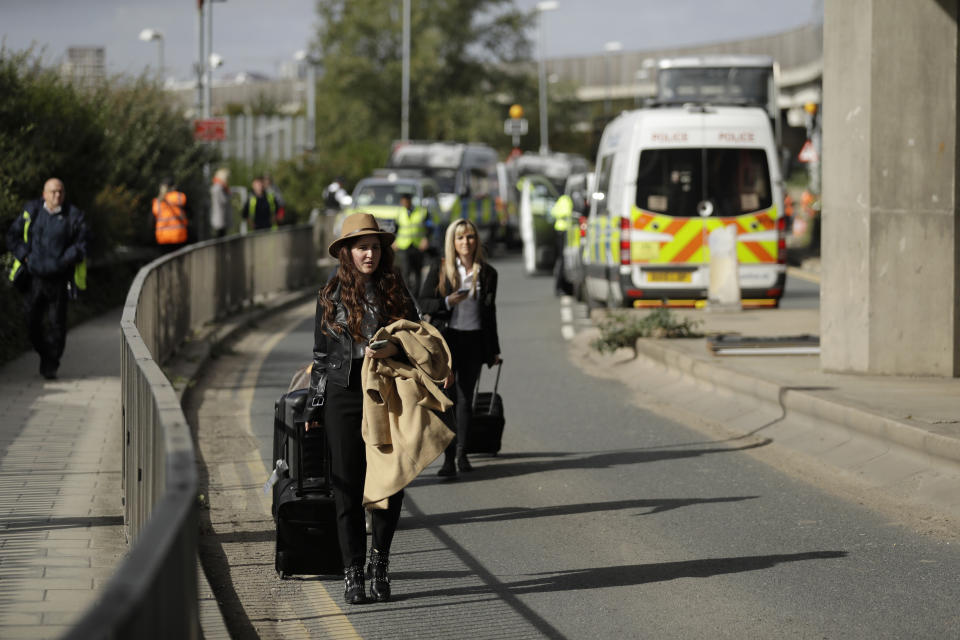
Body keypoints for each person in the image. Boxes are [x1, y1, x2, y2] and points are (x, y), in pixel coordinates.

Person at [303, 212, 451, 605]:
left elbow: (417, 335)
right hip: (344, 391)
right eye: (361, 247)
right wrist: (315, 407)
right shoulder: (329, 295)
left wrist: (392, 348)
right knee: (346, 485)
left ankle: (379, 564)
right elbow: (320, 356)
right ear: (347, 253)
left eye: (374, 247)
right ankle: (353, 572)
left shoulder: (395, 288)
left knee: (390, 480)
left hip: (388, 389)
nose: (369, 254)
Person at [418, 218, 502, 477]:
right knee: (448, 399)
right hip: (447, 340)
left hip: (474, 341)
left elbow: (490, 314)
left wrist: (494, 350)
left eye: (470, 237)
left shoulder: (488, 273)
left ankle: (462, 453)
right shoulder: (441, 268)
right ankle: (447, 458)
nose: (466, 242)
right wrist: (447, 301)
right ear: (452, 242)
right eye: (460, 238)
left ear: (476, 241)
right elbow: (422, 303)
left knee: (465, 399)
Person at [5, 178, 88, 380]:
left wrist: (64, 261)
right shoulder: (31, 212)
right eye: (52, 192)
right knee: (31, 322)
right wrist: (25, 256)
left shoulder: (73, 216)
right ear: (44, 194)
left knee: (57, 324)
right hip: (34, 278)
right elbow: (12, 237)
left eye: (60, 192)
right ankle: (45, 354)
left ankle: (51, 364)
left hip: (58, 279)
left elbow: (81, 245)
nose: (56, 195)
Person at [394, 193, 430, 296]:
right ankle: (406, 295)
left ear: (410, 201)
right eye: (402, 201)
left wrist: (426, 239)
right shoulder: (400, 212)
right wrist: (394, 240)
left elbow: (429, 226)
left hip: (418, 245)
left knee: (417, 271)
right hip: (404, 246)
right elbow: (395, 227)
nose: (404, 203)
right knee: (405, 271)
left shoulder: (422, 211)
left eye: (406, 201)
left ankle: (417, 295)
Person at [152, 177, 189, 251]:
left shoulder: (158, 201)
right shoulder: (180, 197)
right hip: (179, 236)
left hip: (163, 238)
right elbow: (190, 214)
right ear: (174, 186)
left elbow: (152, 221)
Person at [550, 193, 573, 296]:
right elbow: (556, 212)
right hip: (563, 231)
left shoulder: (564, 198)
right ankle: (560, 287)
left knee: (564, 260)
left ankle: (564, 287)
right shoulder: (565, 199)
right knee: (563, 260)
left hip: (565, 231)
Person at [209, 167, 233, 238]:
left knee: (222, 235)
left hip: (221, 218)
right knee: (220, 237)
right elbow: (224, 200)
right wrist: (228, 193)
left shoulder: (220, 187)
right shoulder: (218, 188)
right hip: (219, 218)